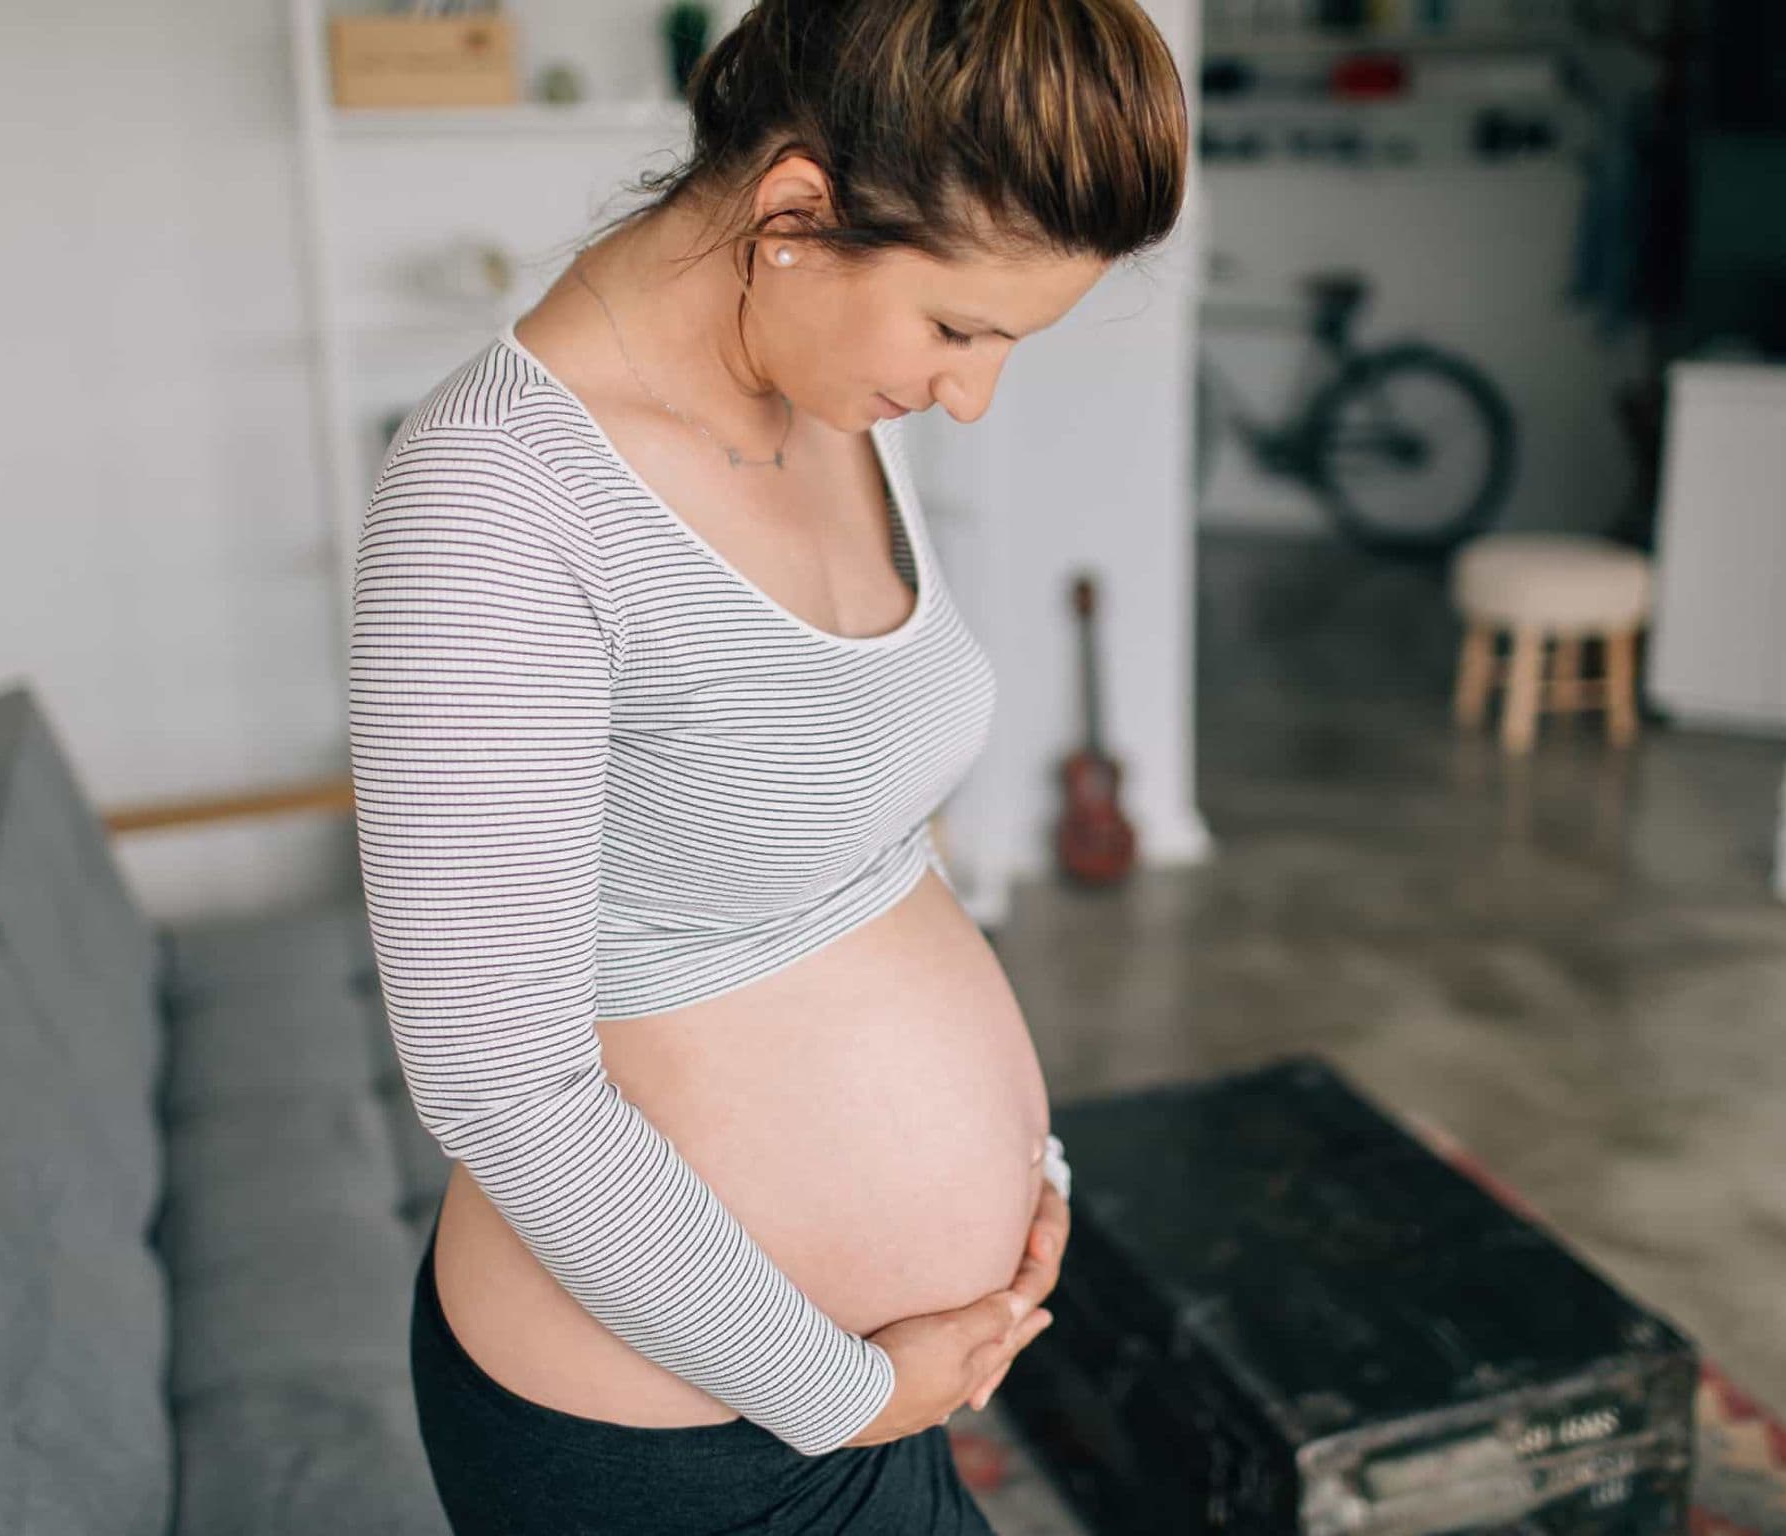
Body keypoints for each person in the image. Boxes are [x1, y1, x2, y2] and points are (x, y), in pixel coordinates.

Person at [346, 0, 1189, 1528]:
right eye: (960, 330)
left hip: (876, 1389)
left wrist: (1023, 1163)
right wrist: (841, 1389)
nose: (971, 394)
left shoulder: (826, 387)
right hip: (689, 1443)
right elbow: (499, 1086)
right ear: (795, 212)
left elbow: (869, 831)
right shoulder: (496, 498)